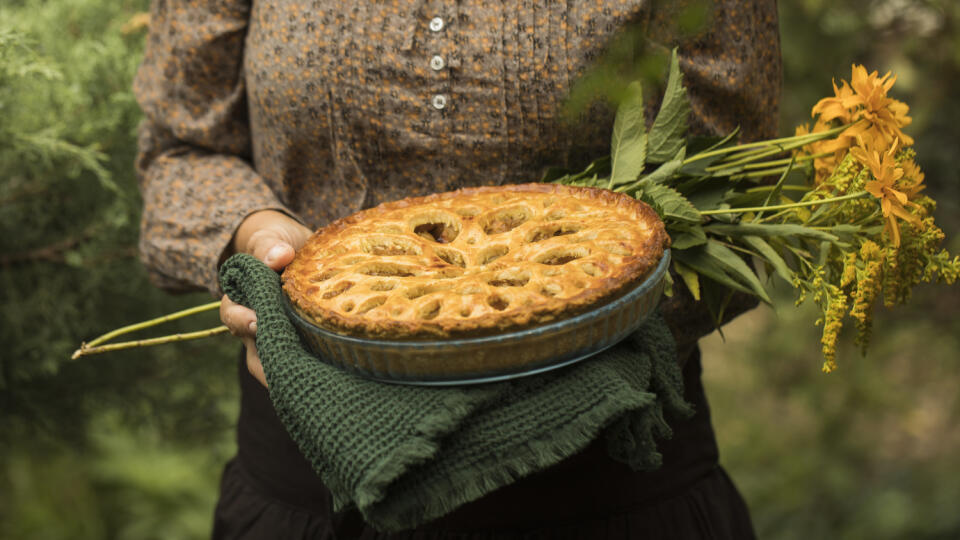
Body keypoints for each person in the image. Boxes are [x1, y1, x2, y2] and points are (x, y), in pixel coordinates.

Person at [134, 1, 781, 537]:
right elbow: (180, 150)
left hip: (604, 479)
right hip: (317, 487)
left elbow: (733, 194)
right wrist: (254, 234)